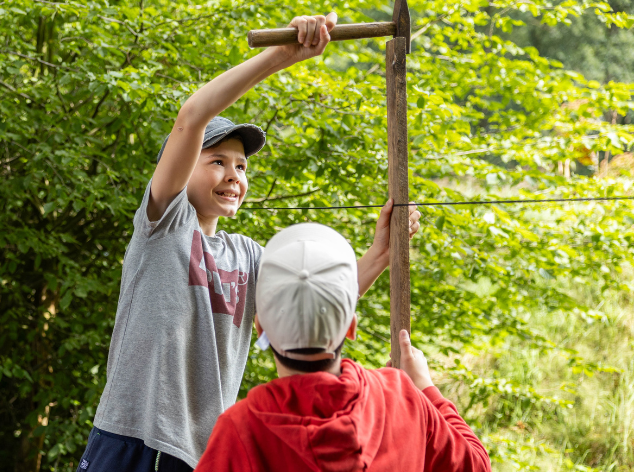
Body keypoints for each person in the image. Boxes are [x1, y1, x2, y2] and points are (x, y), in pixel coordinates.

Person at [76, 12, 422, 472]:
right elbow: (192, 118)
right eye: (217, 161)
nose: (233, 176)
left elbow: (312, 303)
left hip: (203, 453)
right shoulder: (163, 224)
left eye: (241, 167)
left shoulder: (248, 255)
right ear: (179, 168)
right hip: (132, 440)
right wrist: (282, 56)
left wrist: (380, 254)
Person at [196, 223, 491, 472]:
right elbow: (476, 465)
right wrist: (424, 386)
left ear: (261, 329)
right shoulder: (400, 396)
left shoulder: (242, 429)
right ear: (351, 327)